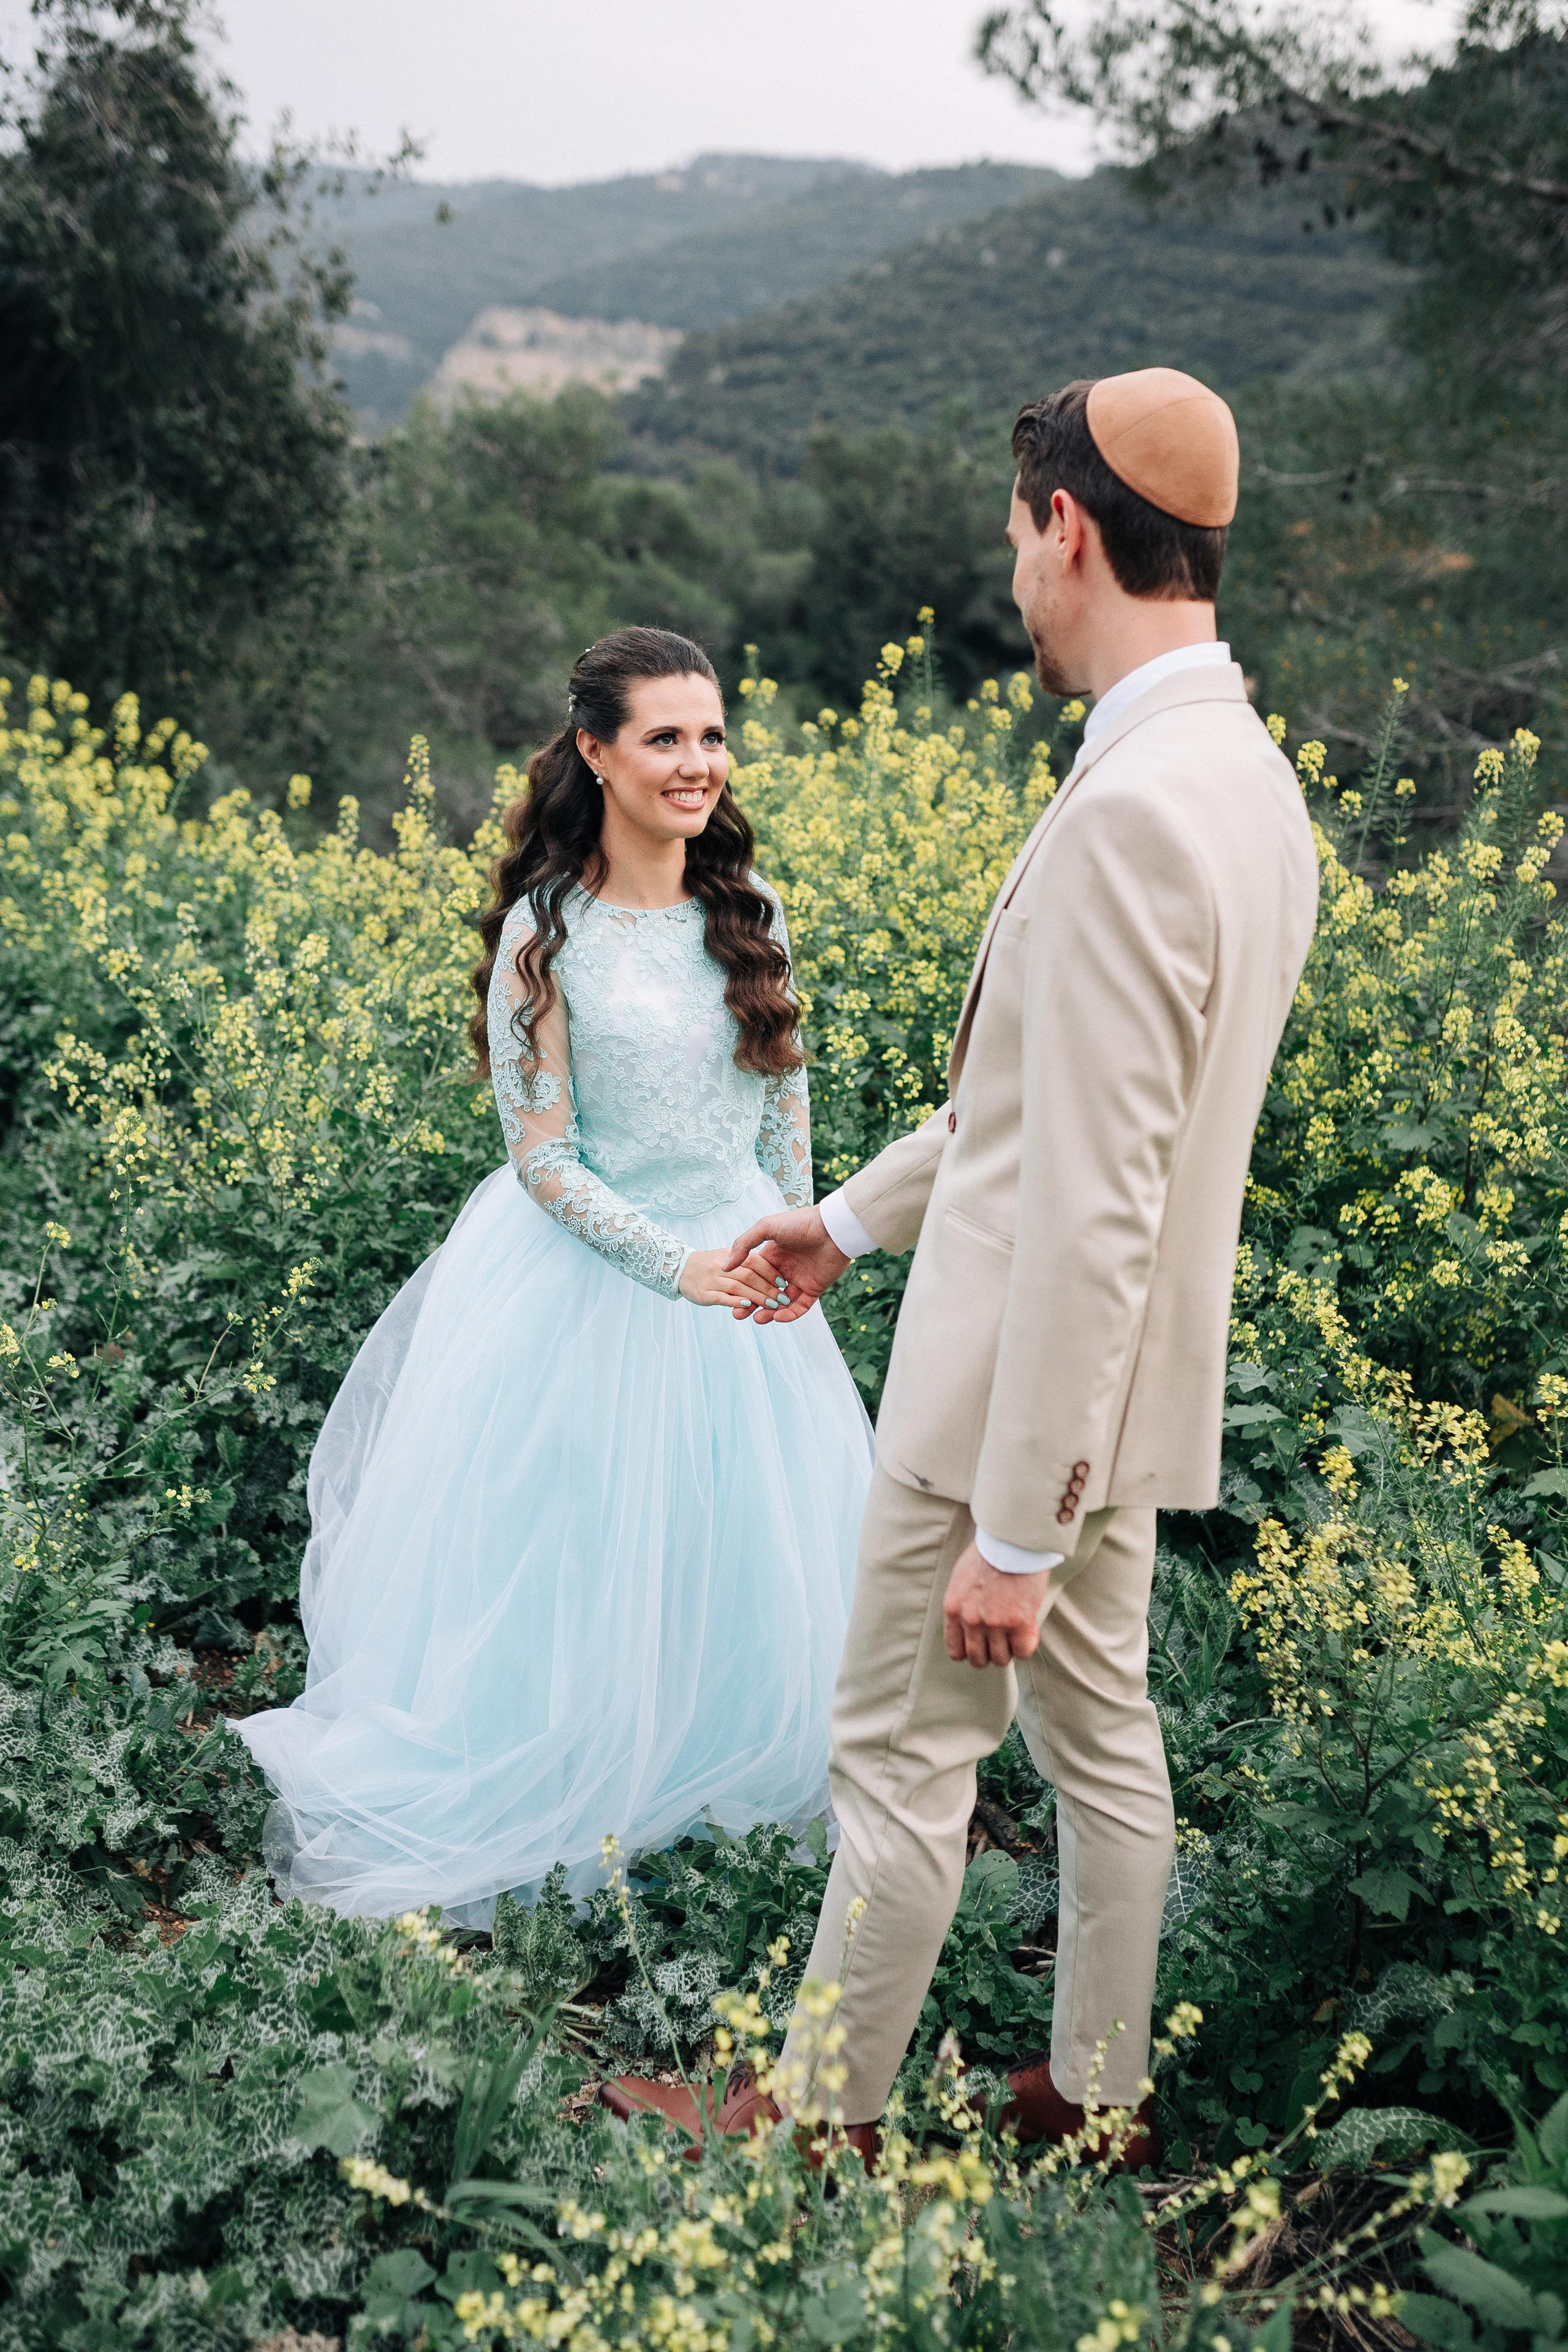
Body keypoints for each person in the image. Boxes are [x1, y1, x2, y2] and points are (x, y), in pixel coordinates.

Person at [657, 366, 1320, 2168]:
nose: (1016, 578)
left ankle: (814, 2122)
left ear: (1069, 529)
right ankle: (1097, 2092)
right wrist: (851, 1218)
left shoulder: (1126, 814)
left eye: (1017, 539)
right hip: (1120, 1404)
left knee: (897, 1760)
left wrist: (1014, 1530)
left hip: (1010, 1418)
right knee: (1106, 1743)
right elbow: (1055, 1116)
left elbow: (1095, 1199)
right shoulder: (1245, 781)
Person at [235, 626, 873, 1926]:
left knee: (743, 1543)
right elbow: (539, 1156)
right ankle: (579, 1790)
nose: (696, 763)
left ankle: (711, 1798)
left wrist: (790, 1237)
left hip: (742, 1265)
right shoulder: (547, 932)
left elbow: (780, 1104)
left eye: (709, 734)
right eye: (663, 738)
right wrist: (669, 1265)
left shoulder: (747, 913)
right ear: (596, 751)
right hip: (592, 1277)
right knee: (583, 1548)